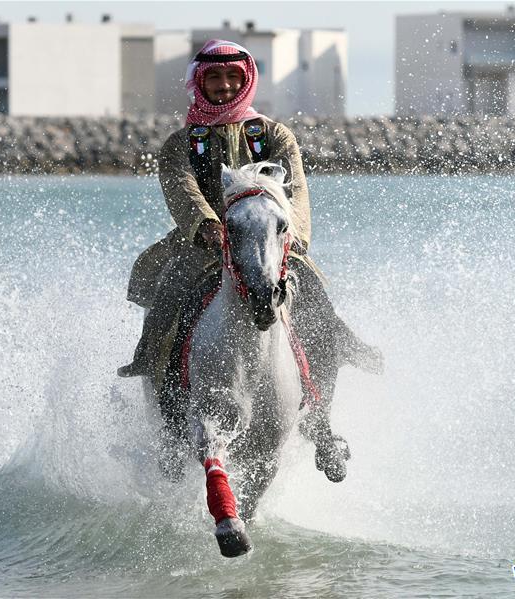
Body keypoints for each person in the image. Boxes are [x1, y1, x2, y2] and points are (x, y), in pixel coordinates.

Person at [119, 39, 383, 482]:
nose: (224, 87)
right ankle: (168, 426)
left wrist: (292, 237)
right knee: (166, 311)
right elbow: (182, 192)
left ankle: (323, 428)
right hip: (203, 247)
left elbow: (295, 193)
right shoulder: (180, 144)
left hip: (269, 243)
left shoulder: (275, 135)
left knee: (318, 309)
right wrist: (207, 226)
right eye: (214, 79)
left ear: (246, 81)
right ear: (198, 85)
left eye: (232, 78)